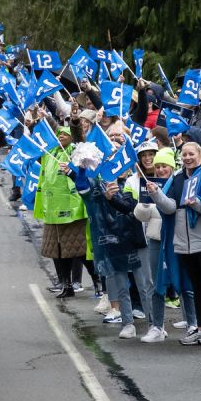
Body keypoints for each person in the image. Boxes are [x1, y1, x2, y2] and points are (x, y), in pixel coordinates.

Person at [66, 145, 150, 339]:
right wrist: (81, 168)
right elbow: (82, 187)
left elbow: (133, 206)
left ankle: (154, 324)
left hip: (135, 238)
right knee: (121, 285)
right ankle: (128, 324)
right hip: (111, 240)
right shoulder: (96, 183)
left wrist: (116, 197)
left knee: (145, 284)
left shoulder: (131, 182)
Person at [156, 142, 201, 347]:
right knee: (197, 287)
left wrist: (198, 203)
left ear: (199, 154)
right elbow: (170, 208)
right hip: (183, 243)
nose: (187, 157)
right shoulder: (177, 178)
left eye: (191, 154)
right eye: (184, 154)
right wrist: (156, 194)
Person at [34, 125, 86, 299]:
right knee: (56, 250)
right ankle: (65, 283)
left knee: (79, 250)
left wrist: (74, 119)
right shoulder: (51, 153)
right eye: (59, 134)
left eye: (66, 133)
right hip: (52, 209)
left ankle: (99, 286)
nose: (62, 136)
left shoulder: (75, 151)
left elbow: (79, 140)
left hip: (72, 209)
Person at [133, 146, 174, 342]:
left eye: (164, 165)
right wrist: (145, 204)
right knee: (154, 284)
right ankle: (156, 326)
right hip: (155, 238)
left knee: (186, 283)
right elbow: (140, 215)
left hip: (177, 239)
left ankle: (196, 323)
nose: (160, 169)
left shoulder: (179, 182)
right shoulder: (146, 183)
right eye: (158, 166)